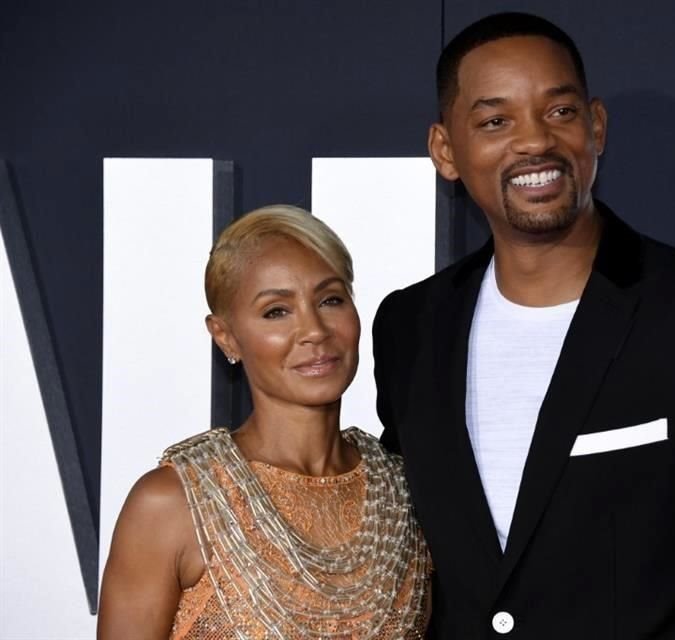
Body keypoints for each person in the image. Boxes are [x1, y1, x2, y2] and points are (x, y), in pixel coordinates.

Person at [372, 12, 675, 639]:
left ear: (596, 126)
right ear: (445, 151)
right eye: (495, 121)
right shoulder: (410, 326)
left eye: (560, 111)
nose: (535, 141)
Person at [98, 205, 430, 639]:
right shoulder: (171, 504)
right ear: (226, 336)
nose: (314, 330)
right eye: (276, 311)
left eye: (330, 300)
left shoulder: (408, 493)